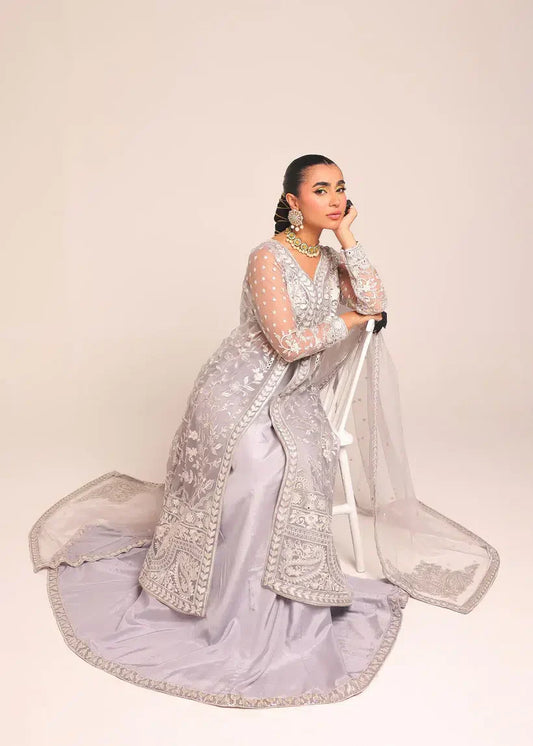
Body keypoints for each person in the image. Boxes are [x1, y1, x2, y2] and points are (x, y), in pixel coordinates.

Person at [29, 154, 499, 709]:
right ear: (293, 201)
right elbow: (288, 343)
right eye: (320, 190)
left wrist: (348, 237)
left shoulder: (332, 258)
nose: (334, 198)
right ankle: (223, 598)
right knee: (257, 468)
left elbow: (376, 301)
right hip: (236, 391)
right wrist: (348, 319)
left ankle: (276, 591)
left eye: (340, 188)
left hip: (292, 398)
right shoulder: (267, 257)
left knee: (295, 461)